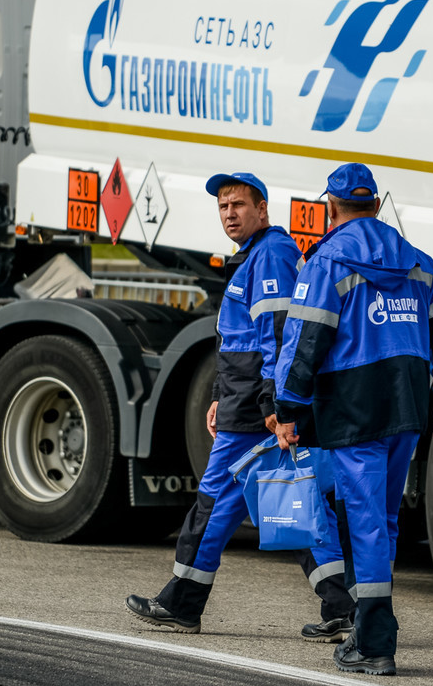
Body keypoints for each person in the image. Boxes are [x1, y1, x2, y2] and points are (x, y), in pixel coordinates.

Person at [126, 172, 354, 640]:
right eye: (223, 207)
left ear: (263, 209)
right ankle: (341, 606)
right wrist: (216, 396)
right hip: (243, 401)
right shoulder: (256, 255)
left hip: (254, 410)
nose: (230, 214)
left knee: (218, 501)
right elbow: (240, 337)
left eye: (238, 205)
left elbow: (276, 334)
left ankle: (183, 604)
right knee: (292, 501)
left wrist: (273, 405)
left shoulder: (270, 253)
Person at [273, 162, 433, 675]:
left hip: (353, 403)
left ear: (330, 209)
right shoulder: (419, 263)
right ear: (378, 205)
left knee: (363, 522)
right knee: (380, 519)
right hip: (407, 401)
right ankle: (367, 631)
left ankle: (376, 642)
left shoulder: (326, 262)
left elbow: (305, 341)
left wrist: (288, 409)